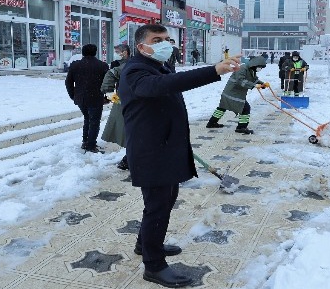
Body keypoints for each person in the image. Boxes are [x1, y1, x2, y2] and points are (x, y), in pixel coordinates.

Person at [118, 24, 240, 288]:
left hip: (165, 148)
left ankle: (145, 244)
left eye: (167, 39)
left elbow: (167, 83)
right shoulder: (135, 71)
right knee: (158, 207)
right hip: (151, 152)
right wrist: (214, 70)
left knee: (162, 202)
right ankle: (154, 265)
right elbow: (162, 86)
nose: (166, 43)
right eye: (157, 39)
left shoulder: (157, 66)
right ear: (141, 46)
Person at [65, 44, 109, 153]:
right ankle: (91, 145)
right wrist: (107, 97)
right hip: (96, 98)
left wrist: (73, 95)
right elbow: (107, 83)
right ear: (95, 52)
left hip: (81, 98)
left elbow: (68, 82)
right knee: (94, 121)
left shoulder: (75, 65)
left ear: (83, 53)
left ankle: (85, 142)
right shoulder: (102, 66)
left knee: (87, 119)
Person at [206, 55, 267, 135]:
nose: (260, 69)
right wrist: (254, 85)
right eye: (259, 67)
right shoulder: (242, 68)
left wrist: (262, 84)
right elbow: (240, 81)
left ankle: (211, 123)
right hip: (232, 93)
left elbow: (254, 79)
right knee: (245, 108)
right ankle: (241, 127)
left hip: (232, 93)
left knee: (222, 107)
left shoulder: (251, 70)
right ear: (254, 65)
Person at [101, 44, 131, 170]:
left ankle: (129, 160)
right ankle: (128, 160)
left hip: (132, 102)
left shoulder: (133, 63)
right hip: (125, 101)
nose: (117, 53)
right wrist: (112, 96)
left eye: (118, 51)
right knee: (131, 133)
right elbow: (111, 75)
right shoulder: (126, 65)